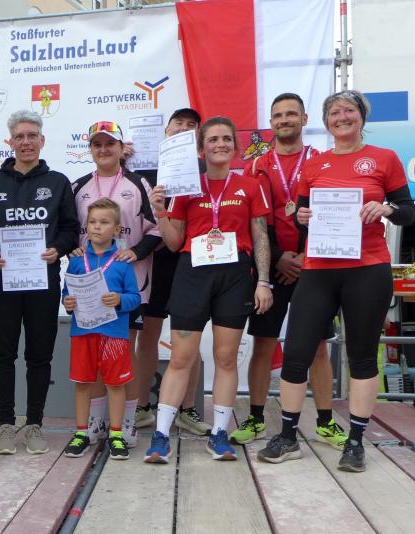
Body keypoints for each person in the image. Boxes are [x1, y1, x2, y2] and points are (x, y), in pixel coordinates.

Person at [257, 90, 414, 472]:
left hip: (367, 269)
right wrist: (302, 219)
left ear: (361, 117)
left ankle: (355, 442)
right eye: (334, 112)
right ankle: (288, 436)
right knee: (297, 353)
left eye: (349, 111)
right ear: (326, 122)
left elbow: (409, 213)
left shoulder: (384, 158)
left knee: (361, 356)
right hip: (319, 270)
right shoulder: (315, 165)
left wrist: (386, 208)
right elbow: (302, 218)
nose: (342, 117)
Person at [146, 117, 273, 463]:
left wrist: (263, 281)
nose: (220, 144)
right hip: (193, 274)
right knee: (181, 357)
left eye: (226, 139)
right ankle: (160, 436)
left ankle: (219, 434)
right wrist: (160, 213)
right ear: (202, 149)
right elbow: (174, 242)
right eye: (213, 139)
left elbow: (260, 235)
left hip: (235, 276)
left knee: (226, 357)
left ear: (235, 146)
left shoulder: (250, 185)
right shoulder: (186, 187)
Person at [231, 93, 346, 448]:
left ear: (304, 118)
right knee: (263, 344)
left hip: (313, 267)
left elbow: (333, 218)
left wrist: (302, 258)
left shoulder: (322, 161)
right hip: (271, 269)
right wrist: (279, 257)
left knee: (318, 348)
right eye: (278, 115)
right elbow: (250, 221)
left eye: (291, 114)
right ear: (271, 122)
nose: (284, 120)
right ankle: (255, 418)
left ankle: (325, 422)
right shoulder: (256, 165)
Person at [0, 110, 79, 455]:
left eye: (32, 135)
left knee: (39, 356)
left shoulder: (58, 182)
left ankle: (34, 424)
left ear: (42, 140)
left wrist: (57, 249)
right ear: (10, 142)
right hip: (2, 281)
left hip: (42, 281)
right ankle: (5, 424)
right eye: (19, 136)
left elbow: (70, 228)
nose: (26, 142)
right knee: (2, 355)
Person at [71, 120, 159, 448]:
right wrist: (71, 248)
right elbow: (68, 230)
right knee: (94, 355)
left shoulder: (138, 184)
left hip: (127, 284)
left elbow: (156, 229)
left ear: (122, 148)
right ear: (90, 149)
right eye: (97, 144)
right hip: (88, 289)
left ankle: (128, 423)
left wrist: (136, 252)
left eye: (110, 143)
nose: (104, 149)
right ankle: (95, 422)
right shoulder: (79, 186)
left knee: (123, 353)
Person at [133, 108, 211, 437]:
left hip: (190, 260)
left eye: (191, 125)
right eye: (178, 123)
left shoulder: (206, 170)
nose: (183, 128)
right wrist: (123, 160)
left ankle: (187, 410)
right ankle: (141, 408)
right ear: (166, 130)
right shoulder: (143, 169)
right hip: (156, 261)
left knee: (189, 338)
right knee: (149, 335)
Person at [63, 198, 141, 460]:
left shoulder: (122, 262)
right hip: (83, 333)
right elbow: (66, 294)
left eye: (104, 222)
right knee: (83, 383)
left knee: (115, 385)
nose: (97, 227)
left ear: (117, 229)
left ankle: (116, 434)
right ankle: (82, 432)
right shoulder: (76, 260)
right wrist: (68, 302)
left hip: (114, 333)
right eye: (92, 222)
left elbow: (135, 298)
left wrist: (119, 300)